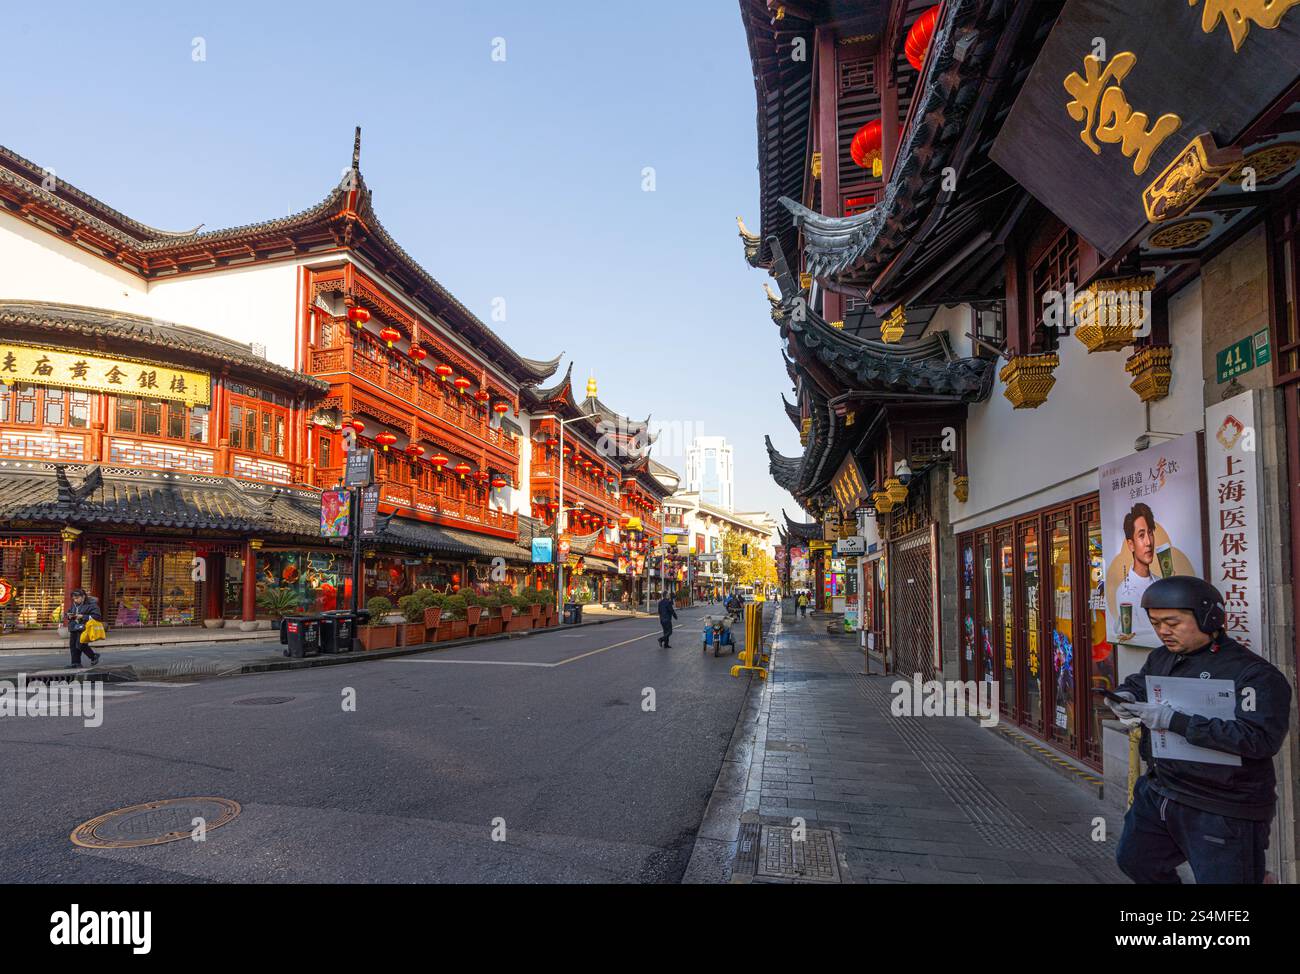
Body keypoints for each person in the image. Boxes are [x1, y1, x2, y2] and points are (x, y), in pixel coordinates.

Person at [1108, 576, 1291, 884]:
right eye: (1155, 623)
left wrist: (1174, 721)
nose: (1163, 631)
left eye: (1173, 622)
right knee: (1136, 862)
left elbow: (1259, 738)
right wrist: (1125, 697)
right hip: (1160, 789)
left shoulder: (1254, 674)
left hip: (1222, 804)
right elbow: (1141, 685)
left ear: (1208, 618)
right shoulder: (1162, 657)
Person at [1114, 502, 1158, 641]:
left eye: (1150, 533)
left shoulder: (1161, 583)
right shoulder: (1123, 592)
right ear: (1131, 545)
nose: (1148, 542)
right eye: (1141, 535)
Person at [62, 588, 103, 669]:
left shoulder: (92, 605)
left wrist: (83, 616)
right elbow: (70, 612)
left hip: (85, 627)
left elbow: (97, 617)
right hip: (74, 626)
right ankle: (75, 663)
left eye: (77, 598)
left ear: (83, 597)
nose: (75, 600)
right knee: (73, 645)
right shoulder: (74, 604)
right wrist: (69, 616)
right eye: (74, 598)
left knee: (80, 644)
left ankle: (93, 656)